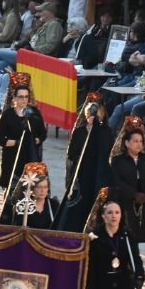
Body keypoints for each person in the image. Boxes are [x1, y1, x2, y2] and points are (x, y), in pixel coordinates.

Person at [57, 95, 112, 230]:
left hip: (98, 172)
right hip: (81, 173)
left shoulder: (106, 133)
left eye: (97, 115)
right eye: (91, 115)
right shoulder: (80, 132)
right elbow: (71, 153)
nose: (93, 118)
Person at [109, 117, 145, 253]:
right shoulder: (118, 160)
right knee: (127, 233)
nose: (138, 144)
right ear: (126, 143)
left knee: (141, 235)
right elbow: (117, 181)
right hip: (126, 201)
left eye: (141, 141)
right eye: (135, 141)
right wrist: (133, 194)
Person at [0, 74, 45, 193]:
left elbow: (42, 133)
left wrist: (36, 140)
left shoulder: (34, 113)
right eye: (21, 97)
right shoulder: (7, 115)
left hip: (30, 157)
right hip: (11, 157)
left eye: (26, 97)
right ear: (14, 98)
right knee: (9, 192)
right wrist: (15, 143)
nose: (24, 100)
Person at [7, 162, 58, 228]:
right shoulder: (22, 207)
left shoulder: (54, 205)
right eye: (39, 187)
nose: (42, 190)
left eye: (45, 187)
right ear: (31, 189)